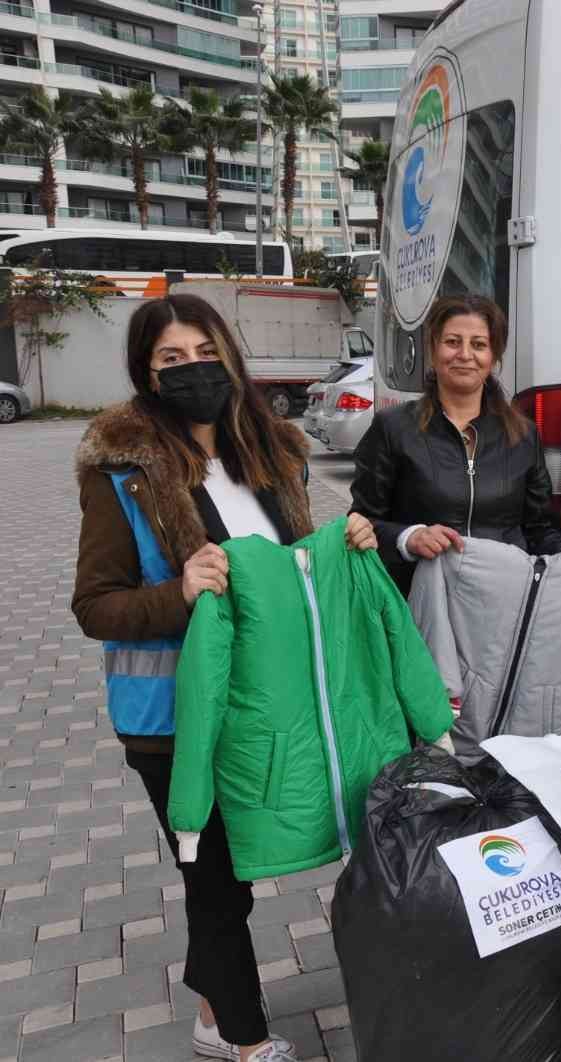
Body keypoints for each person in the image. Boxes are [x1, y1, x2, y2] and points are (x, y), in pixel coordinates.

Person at [72, 294, 376, 1062]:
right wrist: (178, 592)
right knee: (214, 878)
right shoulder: (124, 472)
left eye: (203, 350)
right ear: (145, 373)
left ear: (229, 356)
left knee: (233, 870)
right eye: (169, 359)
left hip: (266, 704)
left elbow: (301, 567)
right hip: (172, 715)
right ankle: (239, 1035)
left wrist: (353, 536)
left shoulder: (274, 453)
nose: (192, 369)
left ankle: (212, 1005)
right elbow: (96, 605)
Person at [350, 294, 561, 595]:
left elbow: (538, 529)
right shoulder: (393, 428)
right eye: (453, 342)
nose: (465, 354)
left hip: (503, 602)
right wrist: (409, 537)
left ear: (494, 356)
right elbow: (360, 524)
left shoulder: (523, 435)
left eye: (479, 344)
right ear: (433, 349)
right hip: (419, 602)